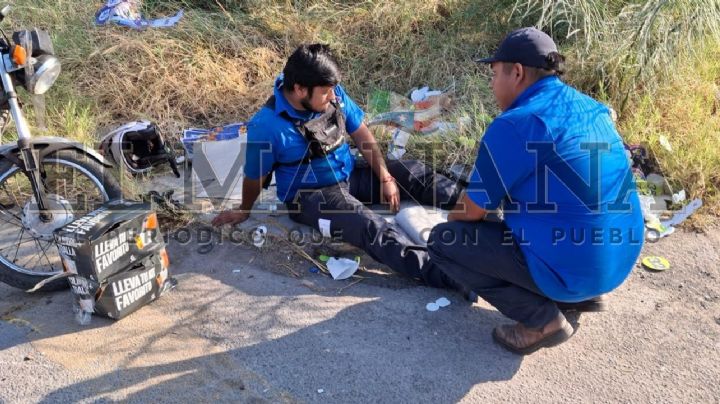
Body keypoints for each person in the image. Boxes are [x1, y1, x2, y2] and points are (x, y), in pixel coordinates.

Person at [426, 27, 645, 354]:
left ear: (516, 72)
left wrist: (452, 220)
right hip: (618, 260)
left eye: (494, 73)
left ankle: (541, 320)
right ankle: (576, 295)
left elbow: (472, 211)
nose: (491, 83)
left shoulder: (517, 124)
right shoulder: (589, 107)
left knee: (445, 241)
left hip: (578, 267)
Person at [212, 43, 462, 282]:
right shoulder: (266, 126)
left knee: (412, 171)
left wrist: (385, 177)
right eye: (325, 92)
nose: (332, 96)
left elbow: (361, 132)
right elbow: (255, 175)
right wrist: (244, 209)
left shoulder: (330, 92)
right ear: (300, 89)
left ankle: (483, 208)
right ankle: (445, 275)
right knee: (367, 225)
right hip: (311, 195)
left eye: (333, 90)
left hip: (348, 173)